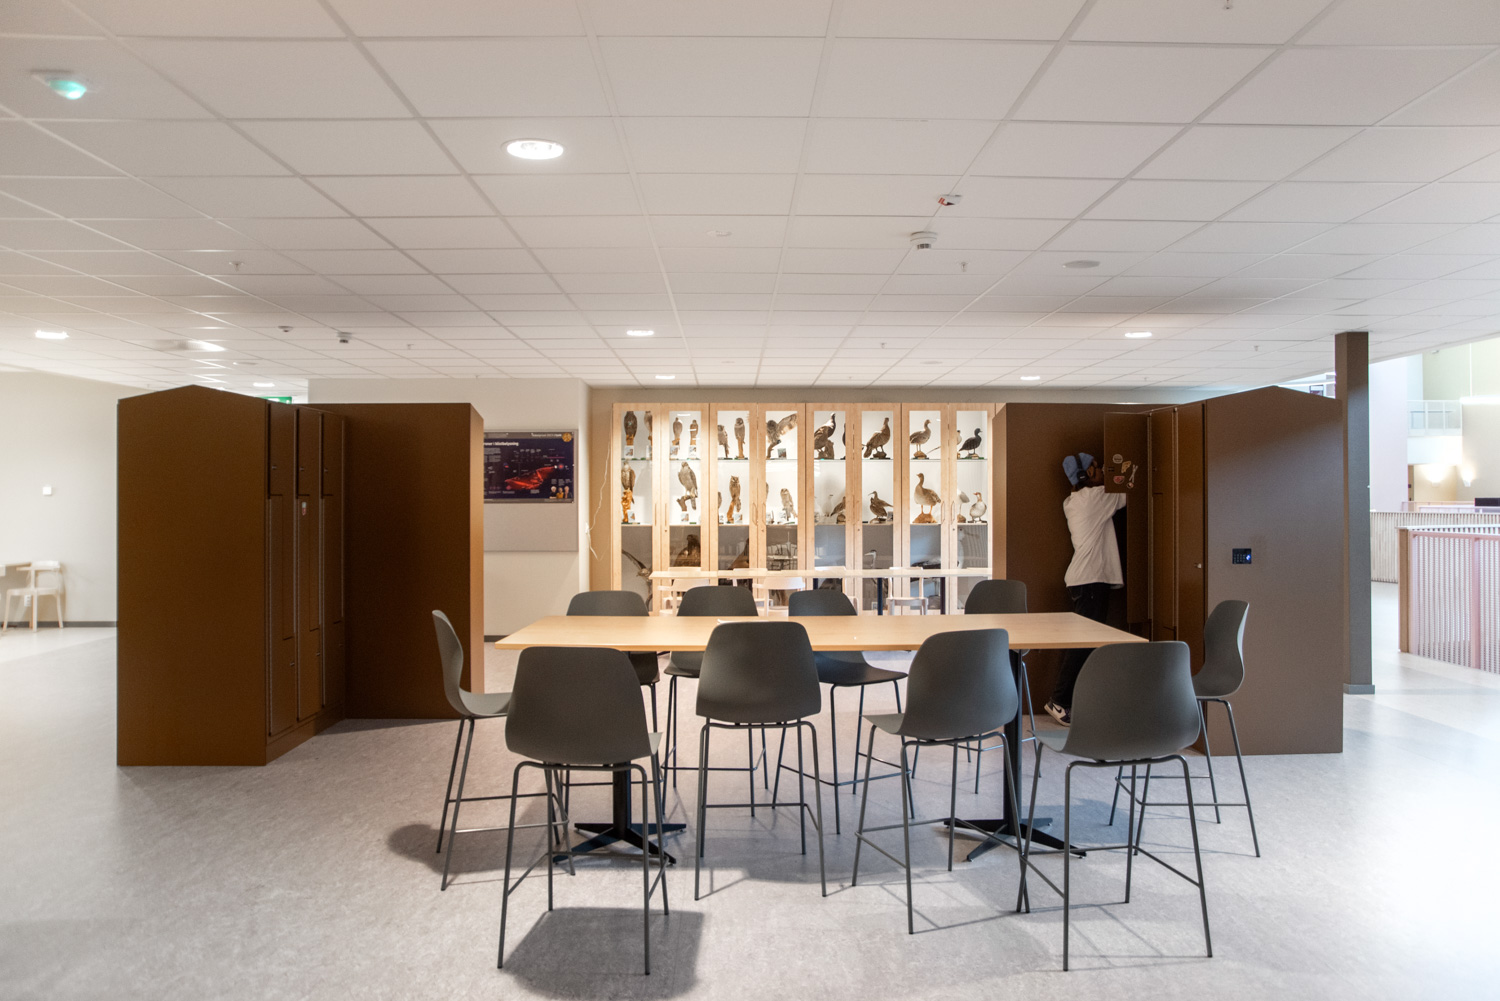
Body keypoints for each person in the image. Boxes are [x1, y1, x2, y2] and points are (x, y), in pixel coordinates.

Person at [1044, 452, 1125, 726]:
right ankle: (1058, 700)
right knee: (1081, 645)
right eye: (1097, 467)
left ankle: (1070, 700)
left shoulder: (1074, 501)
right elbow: (1128, 490)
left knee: (1084, 644)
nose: (1102, 470)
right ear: (1088, 473)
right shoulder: (1095, 498)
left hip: (1084, 580)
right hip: (1090, 581)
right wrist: (1121, 465)